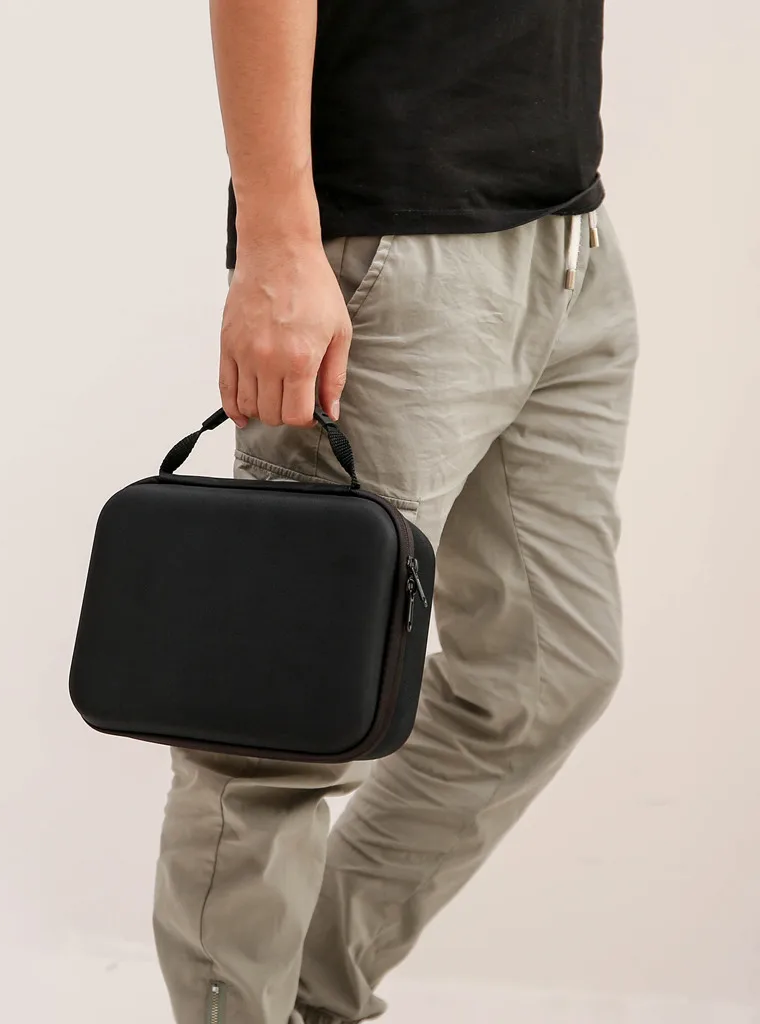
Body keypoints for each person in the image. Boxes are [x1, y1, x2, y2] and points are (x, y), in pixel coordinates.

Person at [153, 1, 639, 1021]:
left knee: (543, 676)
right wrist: (276, 242)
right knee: (280, 729)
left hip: (564, 237)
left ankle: (306, 998)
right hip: (390, 250)